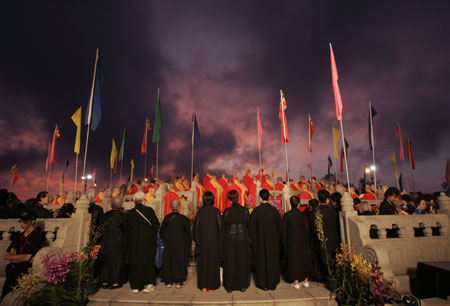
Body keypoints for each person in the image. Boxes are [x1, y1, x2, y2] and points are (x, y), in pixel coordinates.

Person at [2, 210, 42, 299]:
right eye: (21, 221)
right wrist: (20, 257)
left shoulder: (36, 236)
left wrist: (14, 257)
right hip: (12, 270)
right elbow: (6, 256)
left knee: (18, 298)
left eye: (25, 222)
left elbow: (27, 258)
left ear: (33, 221)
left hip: (24, 271)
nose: (22, 224)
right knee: (5, 296)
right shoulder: (18, 236)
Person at [126, 191, 160, 293]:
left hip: (134, 242)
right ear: (144, 201)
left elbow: (126, 229)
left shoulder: (130, 213)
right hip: (147, 241)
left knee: (135, 262)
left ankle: (136, 286)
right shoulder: (149, 210)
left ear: (134, 201)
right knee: (148, 261)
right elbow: (156, 224)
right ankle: (149, 284)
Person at [250, 189, 281, 291]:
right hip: (272, 242)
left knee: (261, 261)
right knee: (272, 261)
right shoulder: (274, 210)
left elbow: (252, 229)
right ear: (269, 197)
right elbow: (279, 228)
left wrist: (254, 243)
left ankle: (262, 284)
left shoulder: (256, 211)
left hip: (260, 242)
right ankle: (272, 284)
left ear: (260, 198)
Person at [193, 191, 223, 292]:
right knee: (212, 263)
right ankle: (211, 286)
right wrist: (219, 243)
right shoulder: (216, 211)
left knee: (203, 264)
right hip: (214, 242)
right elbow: (220, 228)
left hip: (203, 242)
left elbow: (196, 228)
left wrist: (198, 241)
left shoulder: (200, 212)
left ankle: (204, 286)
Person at [222, 190, 250, 293]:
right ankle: (243, 285)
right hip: (242, 239)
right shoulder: (245, 210)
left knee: (230, 262)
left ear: (229, 200)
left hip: (230, 240)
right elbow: (247, 225)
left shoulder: (227, 211)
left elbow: (224, 226)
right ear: (238, 198)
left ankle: (229, 286)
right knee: (242, 262)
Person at [160, 199, 191, 289]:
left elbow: (162, 231)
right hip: (180, 245)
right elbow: (187, 234)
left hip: (168, 244)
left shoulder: (167, 218)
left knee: (168, 261)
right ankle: (178, 282)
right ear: (179, 207)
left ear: (171, 207)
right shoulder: (183, 219)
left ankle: (168, 282)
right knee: (179, 261)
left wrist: (165, 239)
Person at [309, 190, 339, 284]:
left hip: (319, 239)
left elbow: (311, 226)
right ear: (327, 199)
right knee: (331, 258)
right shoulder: (332, 211)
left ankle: (321, 278)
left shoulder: (315, 211)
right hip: (332, 238)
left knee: (320, 259)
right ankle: (332, 276)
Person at [282, 196, 312, 289]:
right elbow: (307, 229)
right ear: (299, 204)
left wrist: (284, 243)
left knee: (294, 259)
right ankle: (306, 280)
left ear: (291, 204)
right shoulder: (303, 215)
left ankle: (296, 282)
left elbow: (284, 230)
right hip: (303, 239)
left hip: (292, 239)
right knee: (304, 258)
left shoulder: (287, 215)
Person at [99, 197, 127, 289]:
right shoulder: (122, 216)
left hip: (105, 242)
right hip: (118, 242)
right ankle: (115, 282)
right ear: (120, 205)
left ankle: (105, 282)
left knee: (106, 262)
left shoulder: (105, 215)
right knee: (117, 262)